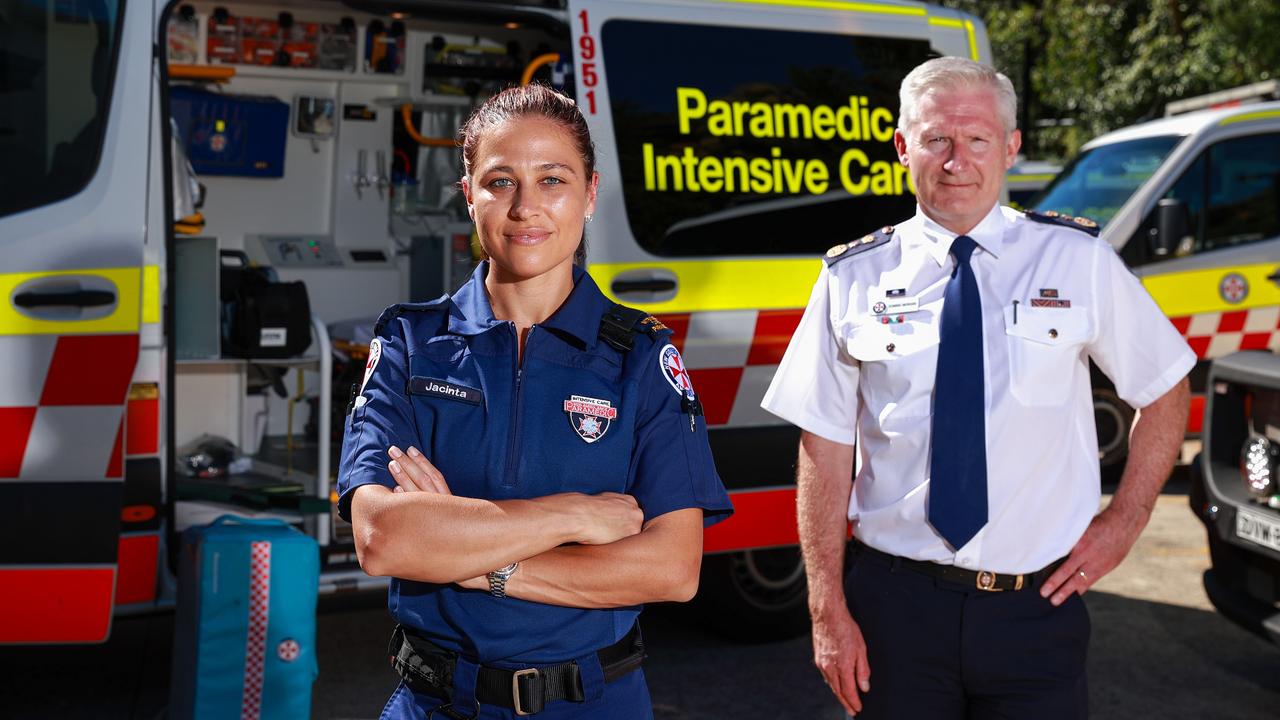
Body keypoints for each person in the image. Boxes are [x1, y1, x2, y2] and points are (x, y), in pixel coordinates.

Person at [762, 57, 1193, 719]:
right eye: (936, 139)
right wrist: (826, 610)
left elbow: (1165, 388)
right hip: (894, 609)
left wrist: (1124, 521)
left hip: (1036, 610)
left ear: (1011, 148)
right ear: (903, 148)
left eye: (978, 139)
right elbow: (823, 447)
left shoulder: (1078, 261)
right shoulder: (853, 277)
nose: (956, 159)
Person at [337, 84, 733, 719]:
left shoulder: (641, 360)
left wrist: (475, 563)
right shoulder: (411, 344)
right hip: (433, 704)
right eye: (500, 180)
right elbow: (384, 537)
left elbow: (671, 568)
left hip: (590, 703)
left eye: (552, 179)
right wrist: (573, 515)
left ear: (591, 194)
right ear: (468, 192)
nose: (526, 207)